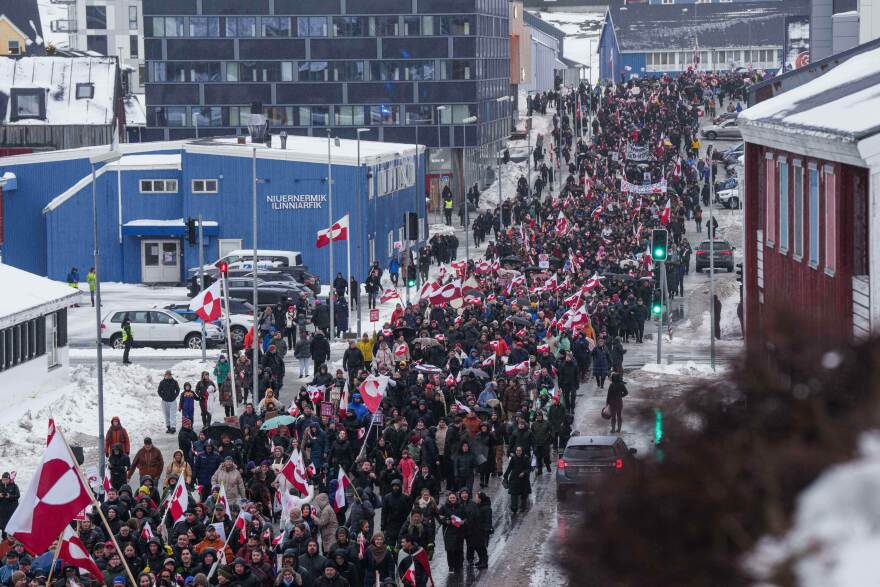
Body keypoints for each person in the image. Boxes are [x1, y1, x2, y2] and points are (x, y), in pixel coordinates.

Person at [503, 445, 531, 514]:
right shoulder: (513, 458)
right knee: (513, 493)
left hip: (523, 479)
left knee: (524, 494)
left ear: (522, 451)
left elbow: (528, 468)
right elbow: (509, 467)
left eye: (519, 451)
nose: (518, 452)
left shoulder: (526, 458)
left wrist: (524, 473)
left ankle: (523, 507)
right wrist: (505, 475)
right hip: (514, 478)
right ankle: (514, 507)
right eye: (517, 451)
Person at [0, 472, 20, 539]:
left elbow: (17, 496)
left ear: (9, 479)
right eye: (3, 479)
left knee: (11, 525)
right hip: (2, 510)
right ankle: (4, 538)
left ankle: (12, 540)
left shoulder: (14, 486)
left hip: (11, 510)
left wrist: (10, 496)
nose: (4, 481)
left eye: (6, 479)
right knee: (3, 525)